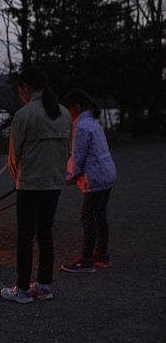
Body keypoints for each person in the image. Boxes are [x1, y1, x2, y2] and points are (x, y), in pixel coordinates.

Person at [2, 66, 72, 303]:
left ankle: (22, 289)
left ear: (25, 87)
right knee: (45, 234)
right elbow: (67, 151)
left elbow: (14, 155)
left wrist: (19, 177)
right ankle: (43, 286)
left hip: (31, 184)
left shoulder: (25, 114)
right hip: (54, 183)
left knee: (24, 235)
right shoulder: (63, 113)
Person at [60, 89, 117, 272]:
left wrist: (65, 177)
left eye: (68, 110)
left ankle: (86, 260)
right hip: (106, 175)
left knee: (88, 218)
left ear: (76, 107)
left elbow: (77, 158)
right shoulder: (93, 123)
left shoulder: (82, 127)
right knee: (100, 216)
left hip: (96, 179)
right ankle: (101, 255)